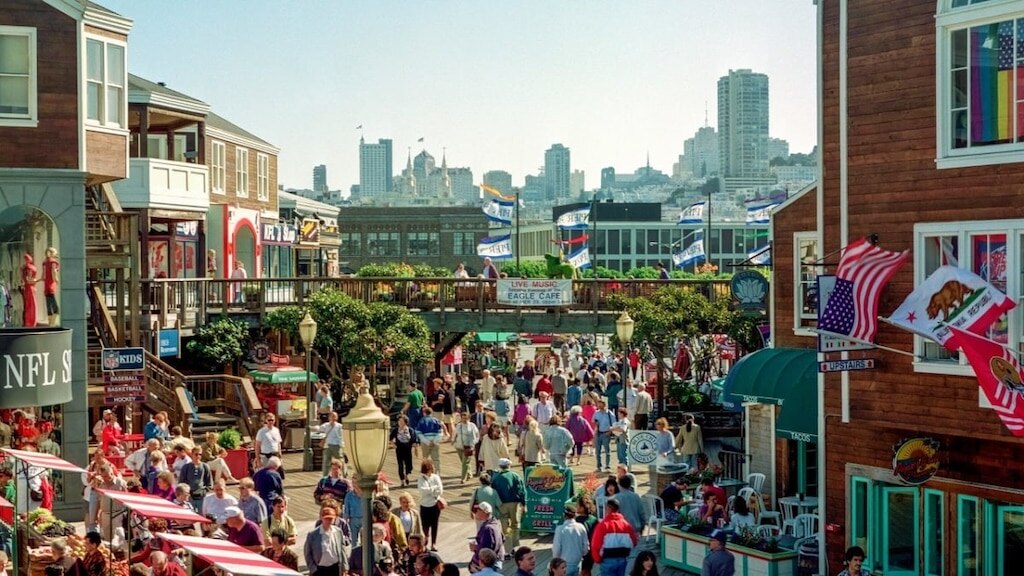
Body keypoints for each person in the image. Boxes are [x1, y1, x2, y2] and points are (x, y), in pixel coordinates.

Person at [590, 498, 637, 576]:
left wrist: (598, 559)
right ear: (618, 509)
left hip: (607, 560)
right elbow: (634, 542)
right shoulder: (626, 525)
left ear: (607, 508)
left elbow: (596, 545)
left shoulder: (603, 525)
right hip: (623, 559)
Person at [491, 458, 526, 559]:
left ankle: (507, 550)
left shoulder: (496, 478)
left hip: (502, 504)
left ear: (500, 466)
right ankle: (514, 547)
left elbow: (494, 492)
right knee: (514, 525)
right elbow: (521, 490)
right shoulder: (515, 476)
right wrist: (524, 503)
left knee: (505, 527)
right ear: (509, 466)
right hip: (514, 504)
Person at [304, 502, 351, 576]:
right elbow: (308, 554)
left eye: (331, 518)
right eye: (326, 518)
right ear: (321, 518)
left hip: (335, 568)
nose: (329, 521)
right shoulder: (313, 534)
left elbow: (342, 550)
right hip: (319, 569)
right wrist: (313, 569)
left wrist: (345, 567)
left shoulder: (338, 531)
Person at [553, 505, 589, 576]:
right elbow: (586, 547)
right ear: (575, 515)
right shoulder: (581, 527)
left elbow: (556, 549)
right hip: (578, 563)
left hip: (563, 564)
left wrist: (555, 561)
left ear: (564, 515)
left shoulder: (560, 529)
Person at [416, 458, 444, 550]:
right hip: (424, 505)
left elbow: (440, 490)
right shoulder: (421, 479)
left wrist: (430, 490)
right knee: (424, 525)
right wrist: (433, 489)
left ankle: (433, 544)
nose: (428, 472)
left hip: (435, 505)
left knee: (435, 525)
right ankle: (426, 538)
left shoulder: (436, 477)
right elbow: (422, 491)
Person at [469, 502, 505, 571]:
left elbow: (487, 549)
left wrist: (475, 547)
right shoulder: (495, 522)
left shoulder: (488, 528)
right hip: (497, 559)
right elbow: (503, 539)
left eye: (477, 510)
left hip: (490, 563)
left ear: (484, 512)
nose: (475, 513)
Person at [177, 446, 212, 511]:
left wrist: (204, 491)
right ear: (192, 454)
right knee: (189, 514)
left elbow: (209, 483)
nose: (198, 456)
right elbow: (181, 483)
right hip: (189, 496)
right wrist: (186, 493)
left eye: (200, 454)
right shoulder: (186, 467)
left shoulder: (205, 466)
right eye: (196, 454)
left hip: (201, 496)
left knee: (202, 515)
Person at [390, 415, 418, 487]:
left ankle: (406, 475)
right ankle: (402, 480)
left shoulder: (411, 430)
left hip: (408, 450)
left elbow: (414, 440)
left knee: (409, 465)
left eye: (402, 421)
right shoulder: (396, 430)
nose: (400, 422)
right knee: (400, 465)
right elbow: (390, 438)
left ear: (406, 422)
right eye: (399, 421)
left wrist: (415, 448)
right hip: (399, 450)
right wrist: (393, 444)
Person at [454, 410, 481, 483]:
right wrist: (453, 442)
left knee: (465, 463)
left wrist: (475, 442)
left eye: (466, 418)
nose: (464, 419)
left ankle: (463, 478)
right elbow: (455, 434)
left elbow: (477, 434)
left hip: (468, 446)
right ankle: (469, 473)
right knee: (463, 462)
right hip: (459, 446)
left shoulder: (472, 425)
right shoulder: (458, 425)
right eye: (463, 418)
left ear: (469, 418)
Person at [415, 407, 445, 474]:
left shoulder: (421, 420)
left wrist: (427, 442)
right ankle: (437, 473)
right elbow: (440, 432)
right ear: (431, 413)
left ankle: (425, 472)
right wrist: (434, 441)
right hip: (435, 442)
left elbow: (418, 433)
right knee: (436, 459)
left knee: (425, 458)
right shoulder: (436, 420)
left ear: (424, 413)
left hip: (425, 443)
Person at [592, 398, 615, 473]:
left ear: (604, 405)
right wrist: (596, 423)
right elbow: (593, 421)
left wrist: (610, 431)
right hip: (598, 433)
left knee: (607, 451)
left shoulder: (609, 413)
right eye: (598, 404)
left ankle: (607, 466)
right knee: (597, 451)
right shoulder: (596, 413)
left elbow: (614, 424)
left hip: (606, 433)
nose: (599, 406)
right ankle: (599, 466)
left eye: (601, 404)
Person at [319, 410, 344, 477]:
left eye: (334, 417)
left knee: (340, 461)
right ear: (329, 418)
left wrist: (341, 445)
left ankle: (343, 475)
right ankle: (325, 477)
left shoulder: (339, 426)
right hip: (327, 445)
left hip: (336, 446)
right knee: (326, 462)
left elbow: (341, 436)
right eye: (332, 416)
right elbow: (319, 430)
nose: (333, 418)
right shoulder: (325, 425)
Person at [43, 247, 59, 326]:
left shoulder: (45, 263)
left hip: (46, 287)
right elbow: (54, 273)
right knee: (56, 309)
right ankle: (52, 325)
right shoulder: (54, 262)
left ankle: (50, 324)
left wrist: (35, 281)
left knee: (49, 307)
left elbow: (43, 277)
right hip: (52, 287)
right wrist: (57, 280)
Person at [21, 252, 37, 327]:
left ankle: (29, 321)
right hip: (31, 287)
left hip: (28, 288)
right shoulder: (30, 267)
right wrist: (35, 280)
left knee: (29, 305)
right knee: (31, 305)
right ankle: (31, 321)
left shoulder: (27, 268)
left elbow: (28, 279)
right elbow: (29, 279)